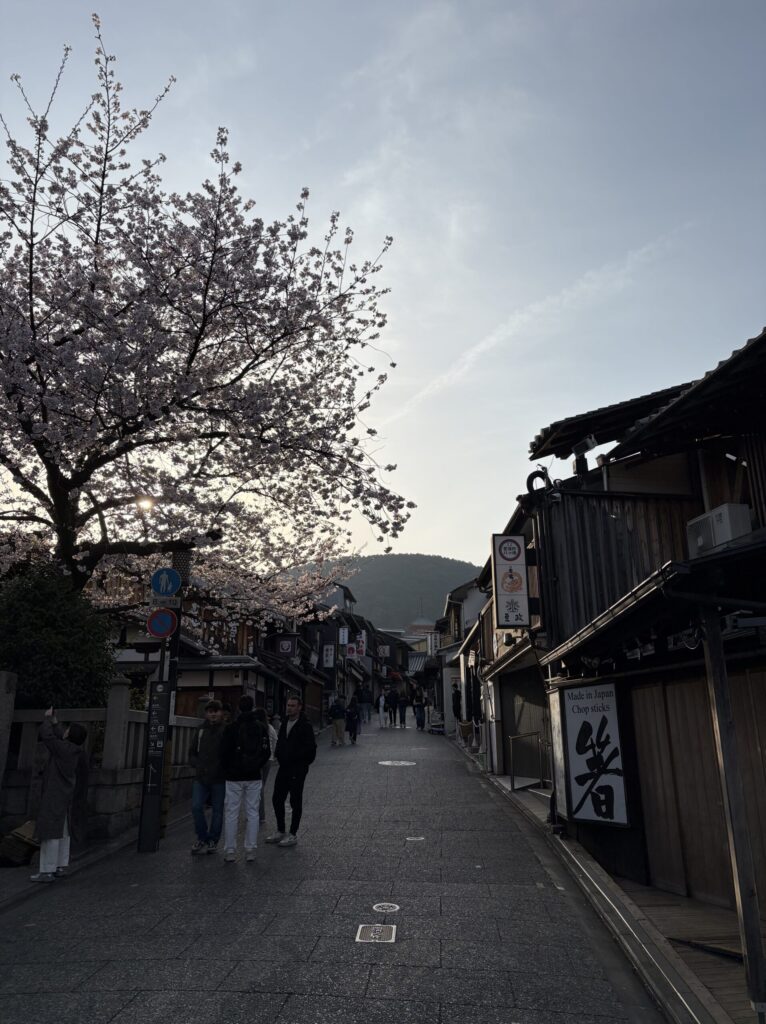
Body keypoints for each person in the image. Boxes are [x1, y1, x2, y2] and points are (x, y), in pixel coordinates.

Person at [30, 707, 89, 883]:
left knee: (50, 832)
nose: (65, 731)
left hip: (54, 793)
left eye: (68, 730)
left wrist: (47, 719)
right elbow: (57, 737)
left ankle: (46, 870)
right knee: (63, 831)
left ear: (70, 735)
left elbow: (48, 737)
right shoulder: (75, 751)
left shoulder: (62, 749)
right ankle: (60, 865)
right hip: (67, 794)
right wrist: (56, 722)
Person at [219, 695, 271, 863]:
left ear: (239, 708)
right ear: (253, 707)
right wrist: (256, 766)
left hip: (233, 776)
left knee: (231, 813)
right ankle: (250, 849)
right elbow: (266, 752)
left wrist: (228, 769)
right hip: (254, 775)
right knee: (253, 812)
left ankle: (230, 850)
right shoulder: (261, 728)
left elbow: (224, 753)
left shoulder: (230, 728)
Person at [265, 695, 317, 848]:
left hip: (298, 767)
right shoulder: (285, 722)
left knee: (295, 800)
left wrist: (300, 761)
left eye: (293, 705)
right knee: (277, 798)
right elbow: (281, 742)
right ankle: (280, 829)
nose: (289, 708)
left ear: (300, 707)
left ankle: (293, 833)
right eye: (288, 705)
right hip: (284, 766)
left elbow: (311, 749)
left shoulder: (305, 725)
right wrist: (280, 755)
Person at [188, 700, 225, 854]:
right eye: (210, 711)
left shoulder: (226, 730)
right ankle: (202, 837)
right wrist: (197, 765)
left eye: (216, 711)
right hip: (201, 776)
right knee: (196, 807)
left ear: (221, 713)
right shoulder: (200, 730)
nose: (213, 714)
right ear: (206, 713)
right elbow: (192, 752)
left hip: (219, 777)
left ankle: (213, 840)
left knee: (217, 810)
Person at [254, 707, 277, 825]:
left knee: (257, 787)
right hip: (269, 760)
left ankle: (259, 814)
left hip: (258, 760)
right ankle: (259, 814)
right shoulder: (271, 728)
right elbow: (275, 741)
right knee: (260, 786)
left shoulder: (255, 728)